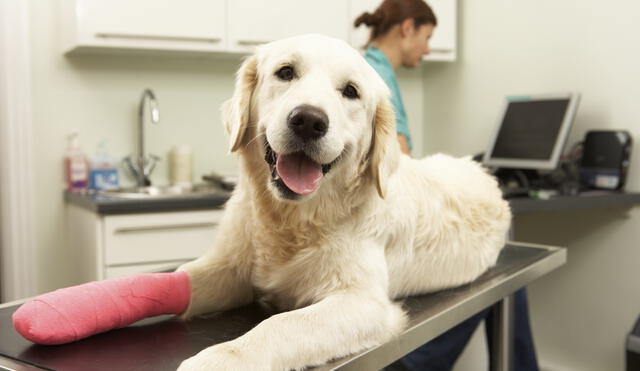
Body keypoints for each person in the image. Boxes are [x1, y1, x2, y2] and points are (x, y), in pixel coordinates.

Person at [354, 1, 540, 370]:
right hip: (373, 234)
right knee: (497, 259)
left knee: (494, 261)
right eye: (427, 37)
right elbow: (396, 166)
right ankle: (414, 361)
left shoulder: (369, 70)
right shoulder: (373, 76)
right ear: (407, 28)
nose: (427, 48)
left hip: (373, 226)